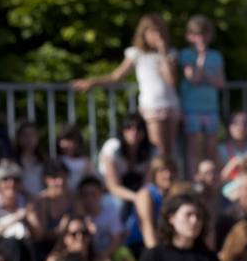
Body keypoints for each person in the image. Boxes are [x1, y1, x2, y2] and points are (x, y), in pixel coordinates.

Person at [73, 14, 180, 157]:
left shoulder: (169, 54)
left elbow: (171, 81)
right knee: (158, 150)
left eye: (160, 32)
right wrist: (92, 82)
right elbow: (116, 76)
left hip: (171, 105)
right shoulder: (137, 53)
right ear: (144, 33)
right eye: (153, 32)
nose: (157, 36)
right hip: (152, 105)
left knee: (170, 151)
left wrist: (164, 55)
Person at [179, 15, 225, 177]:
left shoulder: (216, 56)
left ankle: (211, 178)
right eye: (197, 34)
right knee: (194, 148)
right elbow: (194, 78)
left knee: (211, 147)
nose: (201, 38)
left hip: (210, 107)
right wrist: (201, 58)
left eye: (204, 34)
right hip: (192, 108)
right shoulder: (185, 55)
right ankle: (194, 179)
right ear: (189, 36)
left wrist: (204, 75)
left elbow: (221, 82)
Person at [97, 113, 154, 209]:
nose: (134, 132)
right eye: (129, 128)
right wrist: (136, 198)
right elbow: (113, 187)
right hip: (111, 193)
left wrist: (142, 198)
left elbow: (146, 184)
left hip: (139, 192)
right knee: (118, 204)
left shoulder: (151, 151)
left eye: (139, 129)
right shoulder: (112, 148)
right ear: (122, 131)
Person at [128, 156, 178, 252]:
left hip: (163, 244)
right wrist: (156, 257)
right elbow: (147, 229)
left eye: (172, 170)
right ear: (154, 174)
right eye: (163, 171)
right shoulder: (145, 194)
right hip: (138, 245)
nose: (168, 175)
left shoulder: (173, 195)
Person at [218, 111, 247, 198]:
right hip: (231, 189)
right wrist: (234, 163)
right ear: (230, 127)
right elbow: (219, 179)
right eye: (236, 123)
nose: (241, 127)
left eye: (245, 123)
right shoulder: (221, 149)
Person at [55, 125, 96, 191]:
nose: (70, 144)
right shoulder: (57, 160)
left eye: (74, 141)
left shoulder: (85, 161)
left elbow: (91, 180)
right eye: (67, 140)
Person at [13, 121, 47, 197]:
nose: (29, 139)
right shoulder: (13, 160)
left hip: (41, 200)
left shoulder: (43, 159)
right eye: (25, 135)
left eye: (32, 135)